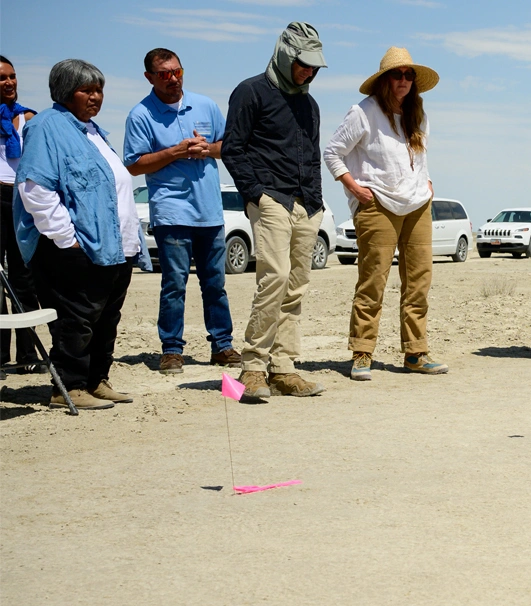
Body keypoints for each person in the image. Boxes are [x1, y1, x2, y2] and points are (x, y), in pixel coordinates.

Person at [13, 59, 142, 410]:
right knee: (77, 319)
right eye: (87, 90)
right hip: (75, 248)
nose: (96, 97)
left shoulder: (93, 130)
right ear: (66, 92)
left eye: (99, 89)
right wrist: (66, 239)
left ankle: (97, 380)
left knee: (105, 319)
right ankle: (68, 387)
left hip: (113, 247)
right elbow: (36, 187)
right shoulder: (46, 126)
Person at [323, 47, 448, 381]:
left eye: (409, 75)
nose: (404, 81)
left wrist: (428, 181)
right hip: (377, 204)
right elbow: (333, 153)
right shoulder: (363, 112)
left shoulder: (417, 113)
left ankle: (416, 352)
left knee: (419, 282)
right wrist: (354, 187)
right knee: (373, 280)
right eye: (397, 75)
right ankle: (362, 352)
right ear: (384, 80)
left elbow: (419, 157)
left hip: (418, 203)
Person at [223, 22, 327, 402]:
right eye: (303, 64)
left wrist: (315, 201)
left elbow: (313, 155)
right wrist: (257, 194)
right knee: (274, 278)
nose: (309, 72)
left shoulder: (310, 103)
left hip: (306, 204)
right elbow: (233, 149)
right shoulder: (251, 91)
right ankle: (252, 367)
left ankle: (283, 368)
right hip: (271, 199)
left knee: (296, 285)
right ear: (285, 55)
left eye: (315, 66)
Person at [125, 47, 240, 376]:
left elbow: (229, 145)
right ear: (150, 77)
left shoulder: (205, 105)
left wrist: (208, 148)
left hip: (209, 210)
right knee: (175, 283)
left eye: (178, 71)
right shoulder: (140, 115)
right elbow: (134, 165)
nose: (173, 79)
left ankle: (222, 345)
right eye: (164, 74)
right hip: (172, 212)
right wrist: (175, 151)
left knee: (215, 283)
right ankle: (172, 350)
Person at [0, 55, 44, 374]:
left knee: (23, 275)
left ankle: (27, 354)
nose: (9, 82)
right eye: (2, 78)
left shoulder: (29, 117)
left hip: (21, 198)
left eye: (12, 76)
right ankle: (1, 355)